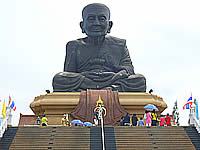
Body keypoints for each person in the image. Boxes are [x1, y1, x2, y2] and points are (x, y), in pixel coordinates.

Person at [52, 3, 146, 92]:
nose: (96, 23)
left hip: (112, 79)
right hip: (86, 80)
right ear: (82, 25)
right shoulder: (74, 45)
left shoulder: (119, 44)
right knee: (59, 79)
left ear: (109, 25)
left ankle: (103, 89)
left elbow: (128, 70)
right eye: (91, 19)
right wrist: (84, 75)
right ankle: (110, 89)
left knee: (139, 80)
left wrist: (114, 76)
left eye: (101, 19)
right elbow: (69, 74)